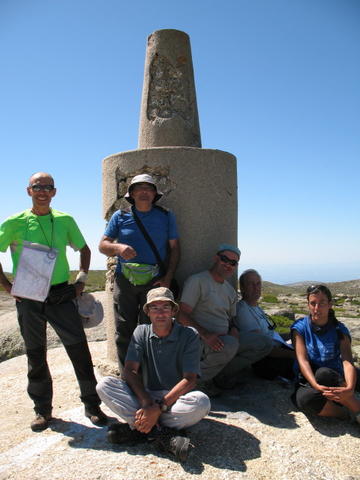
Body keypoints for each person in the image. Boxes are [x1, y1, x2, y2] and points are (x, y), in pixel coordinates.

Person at [0, 172, 107, 432]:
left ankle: (92, 406)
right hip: (28, 295)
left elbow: (84, 249)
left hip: (60, 294)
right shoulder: (14, 222)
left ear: (54, 192)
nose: (42, 191)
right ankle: (42, 411)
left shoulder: (65, 220)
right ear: (29, 191)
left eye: (48, 187)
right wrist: (7, 286)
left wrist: (81, 281)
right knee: (36, 355)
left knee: (79, 350)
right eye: (38, 187)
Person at [96, 287, 210, 462]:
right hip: (147, 397)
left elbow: (190, 379)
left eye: (165, 307)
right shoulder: (141, 332)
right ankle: (163, 434)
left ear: (173, 311)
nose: (160, 313)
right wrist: (147, 402)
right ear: (148, 312)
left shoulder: (189, 335)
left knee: (201, 403)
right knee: (104, 385)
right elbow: (129, 370)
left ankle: (140, 429)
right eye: (154, 308)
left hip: (175, 400)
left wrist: (159, 408)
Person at [98, 174, 180, 369]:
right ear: (132, 194)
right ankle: (127, 375)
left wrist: (168, 278)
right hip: (124, 279)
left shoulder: (166, 216)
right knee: (124, 327)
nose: (144, 192)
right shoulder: (120, 216)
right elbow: (103, 245)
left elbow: (175, 248)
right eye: (139, 189)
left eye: (148, 188)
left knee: (152, 328)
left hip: (155, 281)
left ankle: (149, 373)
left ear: (154, 194)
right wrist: (118, 248)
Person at [177, 244, 240, 396]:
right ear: (216, 258)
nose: (228, 265)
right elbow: (181, 315)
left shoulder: (230, 290)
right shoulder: (197, 281)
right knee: (230, 345)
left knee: (261, 342)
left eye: (233, 263)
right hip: (199, 339)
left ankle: (218, 375)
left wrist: (234, 330)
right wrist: (206, 335)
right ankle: (193, 382)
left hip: (222, 339)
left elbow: (232, 319)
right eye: (225, 259)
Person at [291, 285, 360, 422]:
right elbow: (302, 360)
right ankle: (345, 414)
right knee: (305, 399)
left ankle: (356, 409)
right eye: (313, 303)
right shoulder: (300, 328)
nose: (317, 308)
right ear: (308, 305)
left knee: (324, 374)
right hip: (309, 380)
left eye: (322, 303)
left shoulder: (339, 329)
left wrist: (350, 387)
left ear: (329, 305)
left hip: (335, 378)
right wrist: (315, 385)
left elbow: (347, 360)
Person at [217, 269, 295, 387]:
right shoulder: (243, 310)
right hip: (266, 361)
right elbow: (264, 348)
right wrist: (295, 354)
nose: (256, 287)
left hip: (277, 348)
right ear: (242, 288)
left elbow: (270, 333)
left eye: (258, 284)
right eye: (251, 284)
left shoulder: (256, 307)